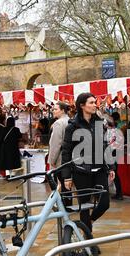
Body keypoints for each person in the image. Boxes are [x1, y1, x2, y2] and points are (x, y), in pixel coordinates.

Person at [61, 92, 114, 232]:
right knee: (84, 207)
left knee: (104, 203)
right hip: (81, 172)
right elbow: (66, 152)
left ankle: (88, 223)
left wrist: (111, 167)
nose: (94, 105)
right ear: (82, 106)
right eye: (91, 102)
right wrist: (67, 176)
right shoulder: (72, 126)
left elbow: (105, 146)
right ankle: (88, 242)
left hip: (99, 169)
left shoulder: (98, 123)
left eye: (94, 102)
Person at [48, 102, 71, 205]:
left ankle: (65, 206)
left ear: (62, 110)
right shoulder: (71, 121)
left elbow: (56, 144)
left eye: (56, 109)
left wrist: (52, 160)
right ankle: (68, 204)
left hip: (61, 159)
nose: (53, 111)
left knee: (62, 182)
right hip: (70, 158)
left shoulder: (58, 123)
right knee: (68, 184)